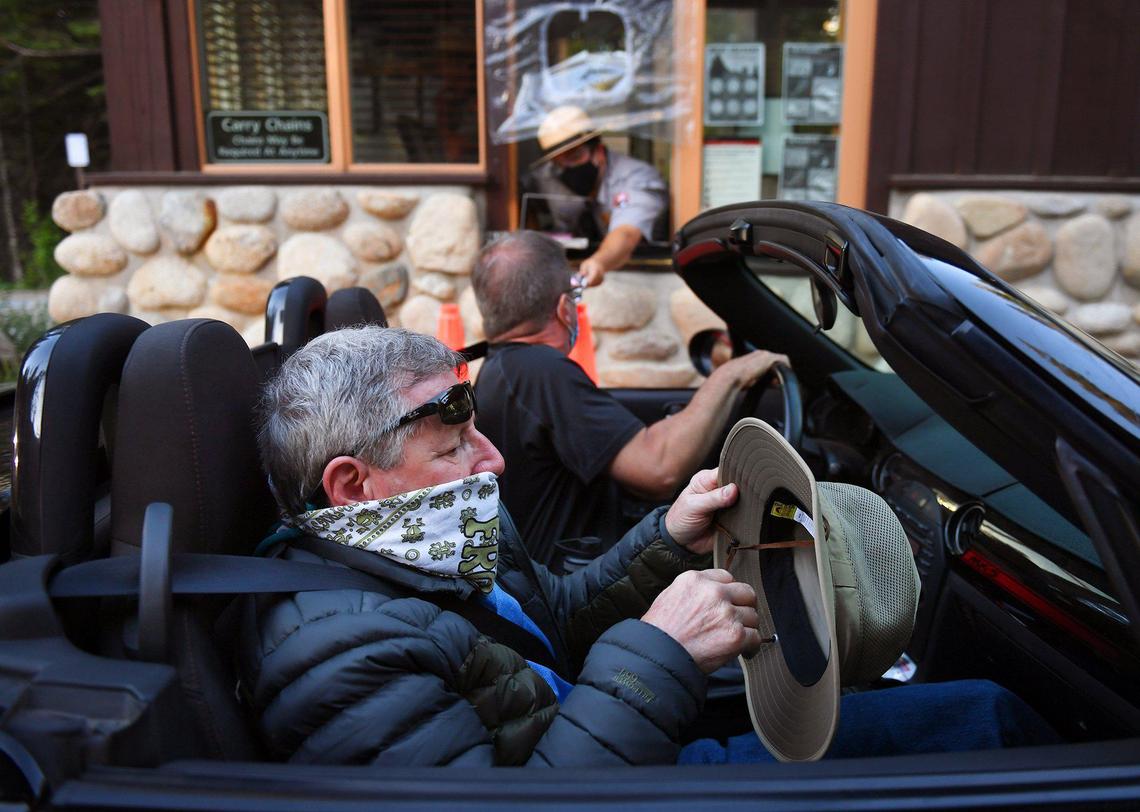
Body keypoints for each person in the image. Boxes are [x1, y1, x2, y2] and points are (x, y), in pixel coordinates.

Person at [238, 326, 1057, 767]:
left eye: (476, 432)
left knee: (941, 702)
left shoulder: (424, 542)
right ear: (350, 485)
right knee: (984, 721)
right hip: (627, 780)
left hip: (612, 734)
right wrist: (660, 650)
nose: (488, 462)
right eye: (451, 448)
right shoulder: (337, 649)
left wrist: (665, 539)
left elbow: (548, 628)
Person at [472, 230, 788, 551]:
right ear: (562, 308)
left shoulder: (503, 370)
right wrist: (732, 375)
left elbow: (627, 445)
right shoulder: (541, 371)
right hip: (574, 589)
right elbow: (659, 468)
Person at [528, 105, 668, 286]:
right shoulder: (549, 176)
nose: (568, 168)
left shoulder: (637, 177)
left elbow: (627, 233)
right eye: (559, 163)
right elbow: (525, 199)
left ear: (599, 151)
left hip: (638, 278)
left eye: (575, 156)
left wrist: (598, 263)